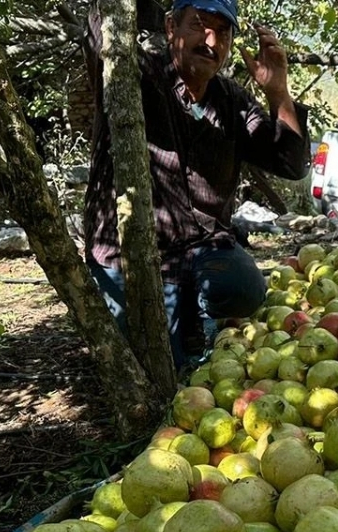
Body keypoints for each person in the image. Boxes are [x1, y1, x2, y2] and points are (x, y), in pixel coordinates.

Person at [82, 0, 310, 369]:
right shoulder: (133, 76)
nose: (210, 41)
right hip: (131, 257)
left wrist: (278, 92)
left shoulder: (231, 100)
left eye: (223, 32)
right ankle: (184, 325)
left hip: (202, 249)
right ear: (171, 27)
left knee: (244, 288)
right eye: (199, 25)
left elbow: (290, 163)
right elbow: (99, 34)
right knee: (157, 373)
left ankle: (200, 315)